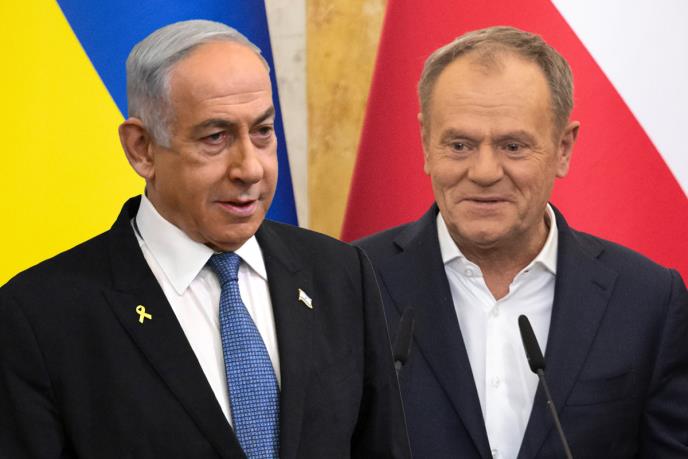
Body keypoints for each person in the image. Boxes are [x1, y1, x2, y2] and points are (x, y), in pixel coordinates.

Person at [0, 20, 410, 459]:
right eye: (216, 137)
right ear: (142, 148)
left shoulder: (340, 274)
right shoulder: (38, 317)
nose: (250, 168)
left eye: (262, 132)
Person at [355, 26, 688, 458]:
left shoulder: (648, 300)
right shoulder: (352, 281)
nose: (484, 172)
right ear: (425, 143)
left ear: (563, 149)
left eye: (512, 146)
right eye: (460, 145)